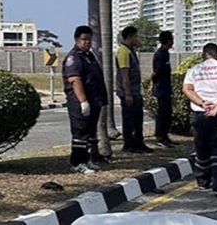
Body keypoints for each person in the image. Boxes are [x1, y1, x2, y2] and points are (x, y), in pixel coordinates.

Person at [183, 43, 217, 198]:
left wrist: (202, 103)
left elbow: (187, 89)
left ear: (203, 54)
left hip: (200, 113)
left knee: (202, 147)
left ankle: (203, 182)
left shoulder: (194, 70)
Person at [62, 26, 108, 174]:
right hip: (79, 101)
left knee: (89, 133)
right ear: (77, 39)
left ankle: (86, 159)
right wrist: (83, 101)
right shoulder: (74, 58)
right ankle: (77, 163)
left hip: (94, 100)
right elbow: (75, 80)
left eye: (89, 39)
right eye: (84, 39)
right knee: (80, 133)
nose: (87, 42)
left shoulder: (89, 56)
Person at [116, 26, 153, 154]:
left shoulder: (130, 51)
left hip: (136, 91)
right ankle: (129, 144)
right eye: (136, 36)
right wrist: (128, 93)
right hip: (129, 92)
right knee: (129, 120)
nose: (137, 39)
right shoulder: (123, 51)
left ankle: (139, 143)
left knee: (137, 119)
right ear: (130, 37)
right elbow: (124, 74)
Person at [152, 31, 177, 148]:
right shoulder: (160, 54)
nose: (173, 42)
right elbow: (156, 72)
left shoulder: (166, 53)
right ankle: (160, 137)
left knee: (167, 113)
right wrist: (154, 85)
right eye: (171, 40)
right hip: (161, 88)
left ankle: (165, 135)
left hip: (166, 88)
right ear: (168, 41)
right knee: (162, 113)